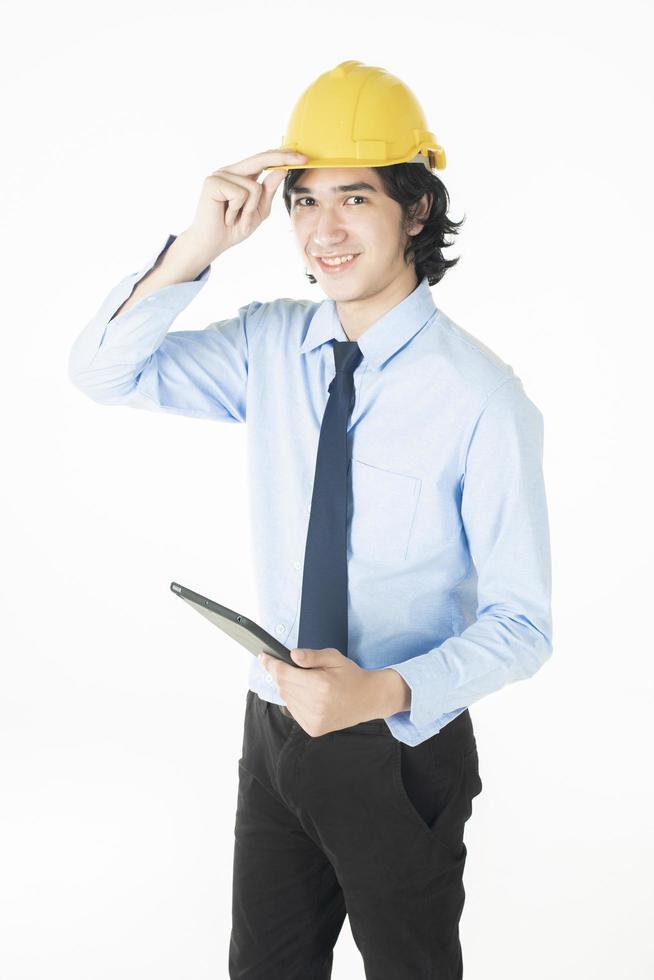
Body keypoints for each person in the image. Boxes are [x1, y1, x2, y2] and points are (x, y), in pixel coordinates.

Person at [68, 59, 553, 980]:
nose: (323, 231)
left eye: (355, 198)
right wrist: (196, 248)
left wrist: (378, 692)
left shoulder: (482, 400)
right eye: (303, 201)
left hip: (400, 749)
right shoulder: (270, 345)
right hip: (276, 730)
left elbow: (525, 627)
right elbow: (102, 373)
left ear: (416, 210)